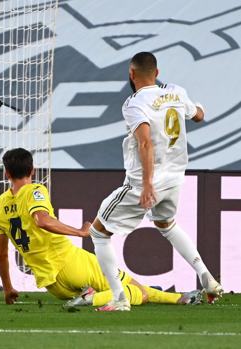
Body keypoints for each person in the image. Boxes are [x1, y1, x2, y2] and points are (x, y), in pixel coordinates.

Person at [89, 52, 222, 311]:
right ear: (157, 73)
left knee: (98, 232)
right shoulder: (176, 92)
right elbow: (198, 115)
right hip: (175, 175)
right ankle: (206, 277)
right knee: (166, 224)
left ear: (131, 73)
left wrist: (147, 184)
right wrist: (200, 108)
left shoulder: (134, 103)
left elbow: (145, 142)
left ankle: (119, 299)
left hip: (144, 180)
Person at [0, 148, 202, 309]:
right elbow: (42, 220)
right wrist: (81, 232)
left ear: (6, 173)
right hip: (71, 262)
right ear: (32, 170)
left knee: (132, 289)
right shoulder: (35, 190)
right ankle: (92, 298)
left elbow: (1, 253)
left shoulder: (0, 205)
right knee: (137, 293)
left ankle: (181, 298)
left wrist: (8, 288)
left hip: (53, 284)